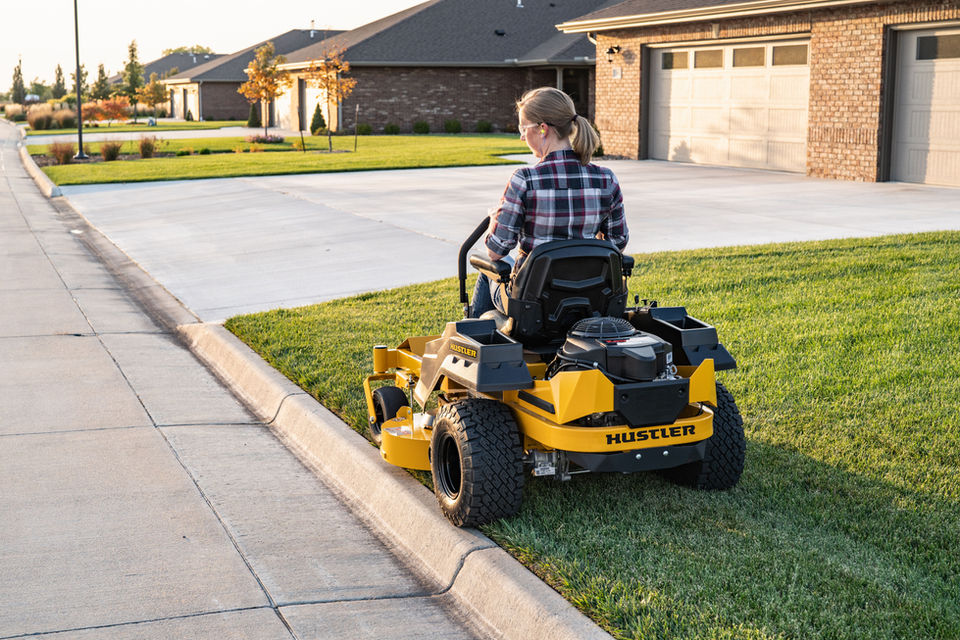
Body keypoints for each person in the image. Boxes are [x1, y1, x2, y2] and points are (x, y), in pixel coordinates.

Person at [470, 87, 629, 318]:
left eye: (523, 129)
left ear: (542, 128)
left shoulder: (524, 180)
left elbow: (496, 250)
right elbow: (618, 243)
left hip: (531, 305)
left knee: (488, 269)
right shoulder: (606, 178)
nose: (522, 137)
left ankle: (479, 340)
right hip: (593, 299)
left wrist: (496, 221)